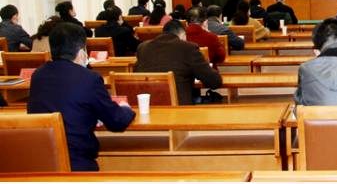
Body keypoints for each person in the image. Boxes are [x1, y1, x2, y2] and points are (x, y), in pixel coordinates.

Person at [28, 23, 135, 171]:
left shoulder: (38, 75)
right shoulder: (89, 78)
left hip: (43, 163)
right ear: (81, 52)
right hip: (78, 164)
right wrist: (126, 108)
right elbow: (116, 122)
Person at [135, 20, 223, 105]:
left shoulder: (143, 47)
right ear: (183, 34)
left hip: (146, 105)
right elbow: (214, 82)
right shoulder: (188, 48)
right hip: (179, 108)